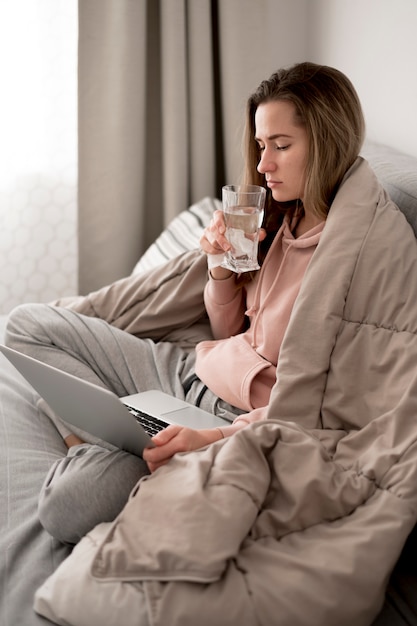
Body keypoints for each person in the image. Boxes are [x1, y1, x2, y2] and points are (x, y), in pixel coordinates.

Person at [5, 62, 365, 545]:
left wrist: (208, 440)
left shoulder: (351, 257)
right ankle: (104, 434)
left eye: (281, 146)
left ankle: (90, 443)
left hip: (224, 422)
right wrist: (219, 270)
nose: (263, 165)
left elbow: (313, 408)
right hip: (184, 373)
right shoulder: (277, 219)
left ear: (328, 141)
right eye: (261, 146)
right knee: (26, 325)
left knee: (69, 507)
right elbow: (227, 333)